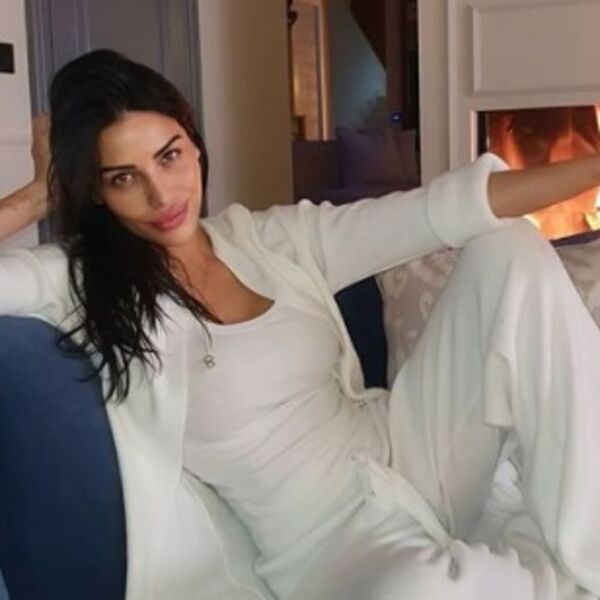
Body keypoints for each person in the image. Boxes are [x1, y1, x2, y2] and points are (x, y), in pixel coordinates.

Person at [1, 49, 600, 600]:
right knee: (418, 590)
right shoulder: (81, 284)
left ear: (194, 143)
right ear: (96, 192)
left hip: (410, 456)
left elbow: (449, 208)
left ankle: (589, 552)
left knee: (507, 247)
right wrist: (37, 196)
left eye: (170, 155)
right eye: (123, 177)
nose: (162, 195)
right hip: (329, 546)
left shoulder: (273, 239)